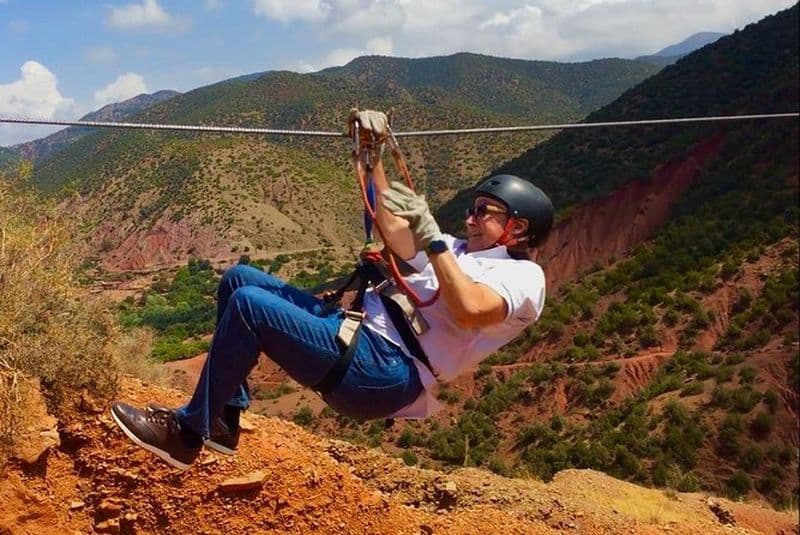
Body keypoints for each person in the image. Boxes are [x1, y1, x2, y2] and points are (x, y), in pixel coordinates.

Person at [110, 110, 554, 470]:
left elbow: (471, 309)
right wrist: (372, 157)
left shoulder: (524, 279)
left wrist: (435, 239)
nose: (472, 217)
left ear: (517, 229)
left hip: (386, 371)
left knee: (248, 307)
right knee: (238, 281)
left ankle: (186, 435)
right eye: (474, 209)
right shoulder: (458, 249)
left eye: (486, 211)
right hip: (359, 340)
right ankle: (224, 417)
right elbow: (394, 228)